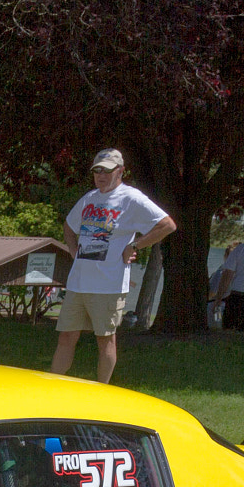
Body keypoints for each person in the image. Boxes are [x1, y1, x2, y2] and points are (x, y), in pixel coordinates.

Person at [51, 148, 175, 383]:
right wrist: (73, 249)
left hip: (108, 287)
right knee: (66, 337)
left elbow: (167, 225)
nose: (101, 176)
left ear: (120, 171)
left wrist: (135, 246)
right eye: (97, 170)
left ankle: (101, 392)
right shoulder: (89, 198)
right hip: (78, 283)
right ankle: (51, 388)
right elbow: (69, 227)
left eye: (107, 171)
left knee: (105, 339)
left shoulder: (131, 198)